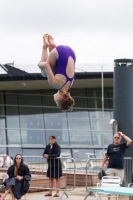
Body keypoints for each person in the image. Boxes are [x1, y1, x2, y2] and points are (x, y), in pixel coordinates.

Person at [38, 33, 76, 111]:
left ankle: (52, 45)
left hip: (71, 52)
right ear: (59, 98)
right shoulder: (54, 84)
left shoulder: (70, 85)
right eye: (56, 102)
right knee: (44, 73)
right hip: (59, 52)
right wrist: (39, 64)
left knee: (54, 71)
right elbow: (46, 64)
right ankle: (45, 46)